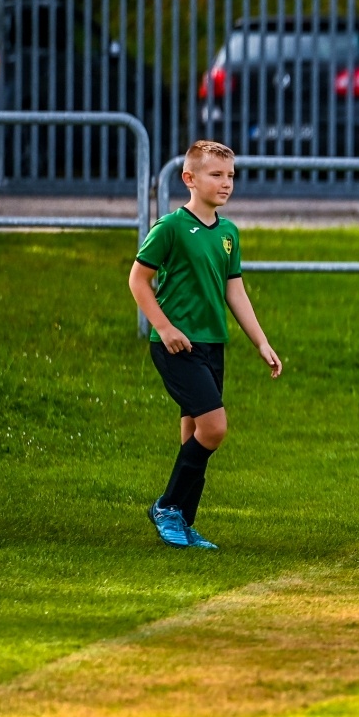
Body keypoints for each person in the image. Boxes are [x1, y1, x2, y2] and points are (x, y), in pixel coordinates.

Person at [129, 140, 281, 549]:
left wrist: (261, 342)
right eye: (216, 175)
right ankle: (167, 507)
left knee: (192, 436)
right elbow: (138, 280)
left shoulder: (229, 233)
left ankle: (183, 523)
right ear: (189, 179)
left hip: (213, 345)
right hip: (176, 346)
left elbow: (235, 292)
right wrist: (164, 328)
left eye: (231, 176)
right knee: (214, 428)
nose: (226, 183)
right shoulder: (171, 227)